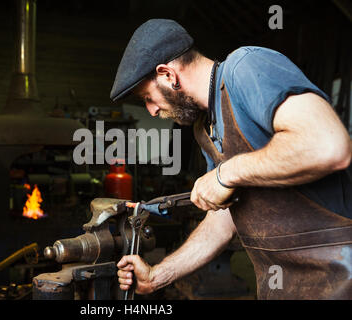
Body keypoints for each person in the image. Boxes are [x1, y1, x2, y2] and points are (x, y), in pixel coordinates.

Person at [110, 19, 352, 299]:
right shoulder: (205, 126)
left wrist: (227, 173)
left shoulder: (246, 67)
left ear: (168, 75)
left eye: (147, 97)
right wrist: (158, 275)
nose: (151, 110)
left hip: (342, 278)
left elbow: (328, 145)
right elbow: (225, 218)